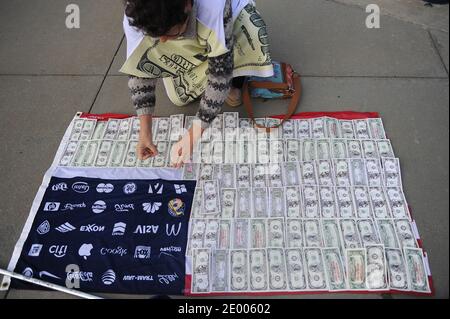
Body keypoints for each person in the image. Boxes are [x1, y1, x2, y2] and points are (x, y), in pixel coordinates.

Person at [121, 0, 273, 167]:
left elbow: (220, 74)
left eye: (169, 33)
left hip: (233, 20)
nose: (163, 40)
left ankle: (237, 80)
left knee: (244, 37)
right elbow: (139, 71)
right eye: (156, 35)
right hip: (192, 33)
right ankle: (196, 53)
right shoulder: (137, 14)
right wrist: (145, 131)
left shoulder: (213, 6)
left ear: (187, 5)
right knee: (179, 98)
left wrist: (193, 135)